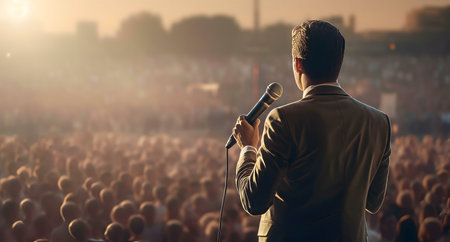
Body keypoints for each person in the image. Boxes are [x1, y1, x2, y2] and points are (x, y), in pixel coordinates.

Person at [232, 20, 391, 242]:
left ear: (298, 64)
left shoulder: (284, 119)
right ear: (339, 63)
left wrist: (248, 148)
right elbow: (373, 201)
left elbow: (254, 201)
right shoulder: (379, 121)